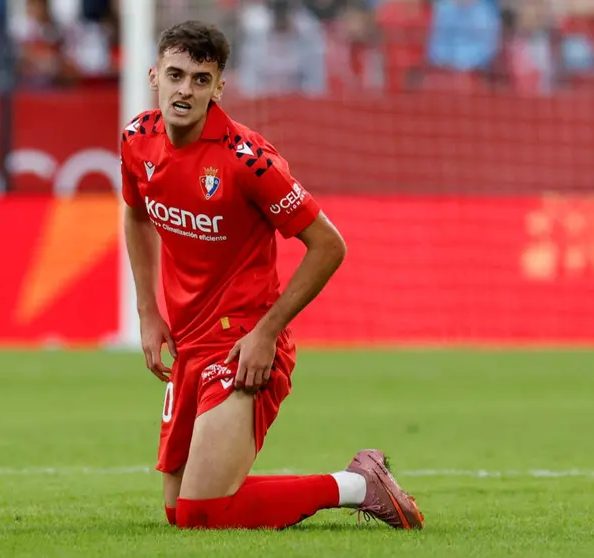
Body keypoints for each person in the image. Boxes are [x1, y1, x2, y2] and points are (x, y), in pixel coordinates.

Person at [121, 20, 425, 530]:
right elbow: (135, 212)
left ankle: (358, 485)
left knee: (201, 514)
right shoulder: (137, 140)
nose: (185, 89)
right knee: (178, 510)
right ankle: (357, 482)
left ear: (218, 87)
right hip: (190, 344)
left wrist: (266, 333)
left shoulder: (247, 161)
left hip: (244, 341)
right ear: (155, 76)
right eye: (176, 75)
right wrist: (148, 311)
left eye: (200, 79)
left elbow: (329, 245)